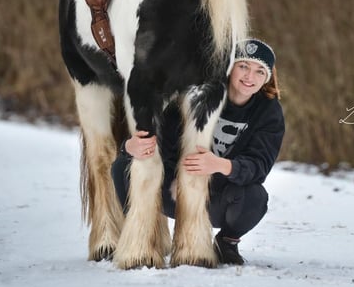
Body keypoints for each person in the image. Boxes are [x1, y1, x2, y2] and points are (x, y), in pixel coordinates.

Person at [111, 38, 285, 265]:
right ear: (230, 67)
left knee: (255, 197)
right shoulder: (200, 94)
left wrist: (221, 165)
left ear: (267, 79)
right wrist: (129, 147)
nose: (249, 77)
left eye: (259, 71)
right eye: (243, 66)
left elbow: (258, 166)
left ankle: (227, 243)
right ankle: (144, 233)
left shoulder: (269, 112)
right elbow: (159, 136)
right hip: (178, 191)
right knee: (123, 167)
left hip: (219, 199)